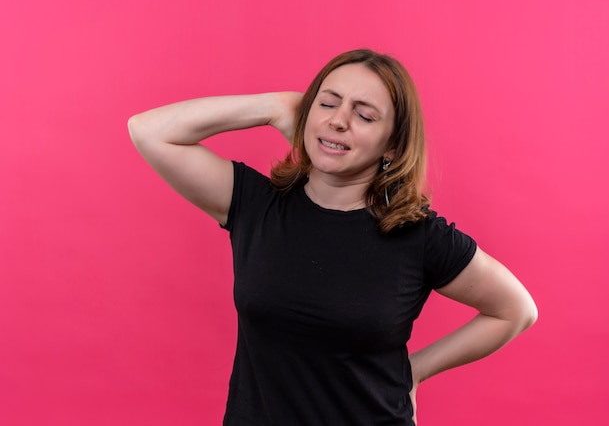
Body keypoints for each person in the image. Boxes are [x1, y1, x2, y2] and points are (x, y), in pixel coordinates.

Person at [128, 48, 538, 425]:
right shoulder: (255, 204)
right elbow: (149, 131)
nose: (338, 120)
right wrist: (274, 105)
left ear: (392, 146)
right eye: (326, 103)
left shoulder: (419, 235)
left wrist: (415, 370)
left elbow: (515, 310)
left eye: (365, 115)